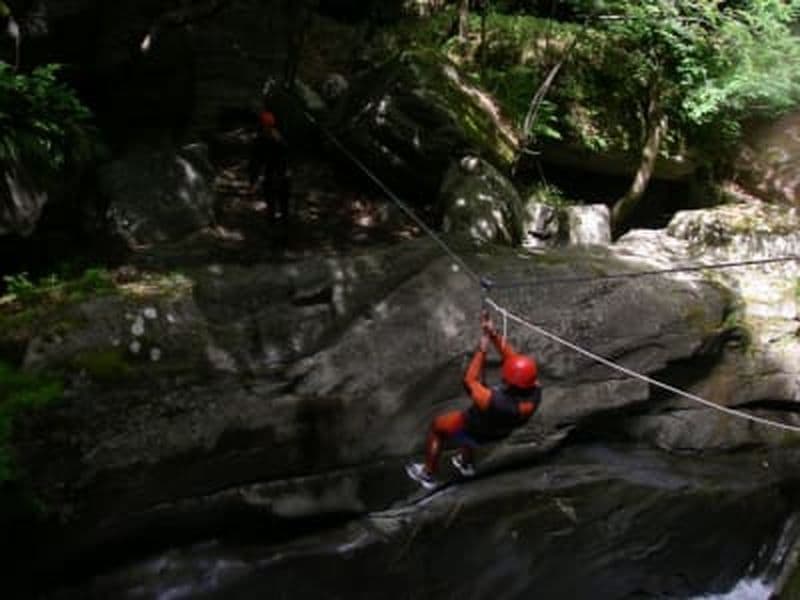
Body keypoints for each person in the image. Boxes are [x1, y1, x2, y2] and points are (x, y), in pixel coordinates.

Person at [406, 311, 541, 489]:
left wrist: (481, 350)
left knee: (438, 427)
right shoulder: (535, 391)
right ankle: (465, 463)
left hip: (474, 426)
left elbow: (469, 381)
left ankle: (428, 473)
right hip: (497, 432)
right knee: (475, 434)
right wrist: (493, 334)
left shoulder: (495, 402)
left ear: (510, 382)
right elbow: (512, 359)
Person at [248, 101, 290, 223]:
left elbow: (255, 161)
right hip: (278, 172)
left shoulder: (265, 140)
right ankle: (278, 220)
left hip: (276, 172)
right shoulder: (277, 137)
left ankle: (278, 221)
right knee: (278, 199)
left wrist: (253, 179)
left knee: (276, 198)